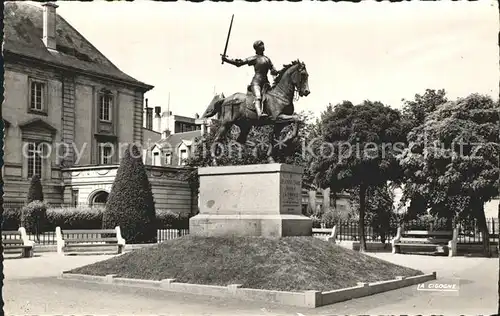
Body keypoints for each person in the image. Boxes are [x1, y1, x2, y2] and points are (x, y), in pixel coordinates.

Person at [221, 40, 279, 118]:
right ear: (257, 48)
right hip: (256, 83)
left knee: (271, 97)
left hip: (266, 83)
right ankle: (259, 114)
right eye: (260, 45)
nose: (263, 46)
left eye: (263, 44)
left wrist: (277, 71)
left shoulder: (267, 59)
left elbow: (273, 70)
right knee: (258, 97)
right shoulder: (254, 58)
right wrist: (227, 60)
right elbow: (239, 63)